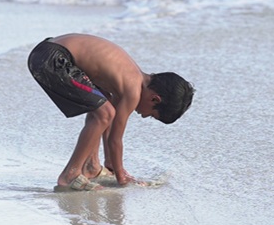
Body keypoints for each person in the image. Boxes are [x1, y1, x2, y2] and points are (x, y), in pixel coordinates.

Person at [27, 34, 194, 191]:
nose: (143, 115)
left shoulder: (129, 78)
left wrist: (111, 164)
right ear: (155, 99)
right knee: (104, 113)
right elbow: (115, 139)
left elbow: (111, 127)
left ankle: (91, 166)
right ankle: (70, 174)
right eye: (150, 114)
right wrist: (121, 176)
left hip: (47, 52)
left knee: (104, 106)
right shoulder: (133, 89)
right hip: (52, 58)